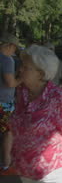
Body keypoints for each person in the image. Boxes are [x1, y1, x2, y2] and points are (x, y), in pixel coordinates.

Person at [10, 45, 62, 183]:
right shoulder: (23, 92)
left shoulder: (57, 98)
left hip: (50, 171)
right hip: (26, 169)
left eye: (26, 67)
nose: (20, 69)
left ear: (41, 73)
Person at [0, 33, 22, 175]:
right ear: (10, 46)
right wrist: (22, 78)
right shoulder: (7, 60)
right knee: (8, 133)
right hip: (4, 103)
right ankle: (6, 165)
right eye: (15, 48)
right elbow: (10, 83)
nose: (15, 51)